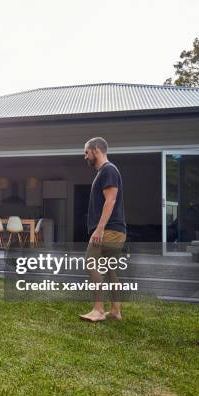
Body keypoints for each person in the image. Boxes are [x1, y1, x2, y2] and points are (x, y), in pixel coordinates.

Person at [79, 137, 127, 322]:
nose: (85, 157)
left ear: (96, 150)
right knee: (110, 270)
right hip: (116, 231)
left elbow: (111, 200)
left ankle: (98, 310)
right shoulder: (107, 171)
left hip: (108, 230)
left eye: (86, 152)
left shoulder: (108, 170)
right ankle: (115, 311)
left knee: (90, 262)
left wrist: (99, 229)